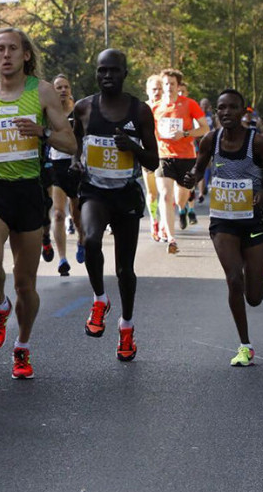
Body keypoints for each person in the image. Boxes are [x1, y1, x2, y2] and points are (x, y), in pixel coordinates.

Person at [0, 27, 76, 379]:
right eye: (0, 49)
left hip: (29, 191)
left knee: (25, 284)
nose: (6, 55)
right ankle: (0, 306)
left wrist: (42, 132)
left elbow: (71, 144)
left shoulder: (41, 92)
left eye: (13, 48)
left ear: (26, 55)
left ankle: (23, 346)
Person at [182, 89, 263, 367]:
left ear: (243, 112)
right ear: (216, 113)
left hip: (256, 219)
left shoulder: (257, 142)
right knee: (233, 279)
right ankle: (245, 346)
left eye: (232, 108)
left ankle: (262, 270)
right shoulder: (210, 141)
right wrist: (191, 178)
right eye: (221, 108)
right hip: (224, 220)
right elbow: (198, 170)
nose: (226, 112)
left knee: (254, 298)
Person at [71, 50, 160, 362]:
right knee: (91, 240)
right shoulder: (83, 107)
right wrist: (75, 163)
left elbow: (154, 160)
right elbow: (73, 146)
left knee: (125, 269)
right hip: (94, 190)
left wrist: (133, 147)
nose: (107, 76)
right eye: (101, 70)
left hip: (125, 193)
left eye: (113, 71)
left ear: (124, 73)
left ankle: (127, 327)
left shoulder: (140, 111)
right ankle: (99, 299)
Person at [152, 68, 209, 253]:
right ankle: (171, 238)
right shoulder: (155, 107)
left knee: (179, 198)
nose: (169, 87)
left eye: (172, 84)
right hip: (164, 156)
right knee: (166, 195)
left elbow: (204, 128)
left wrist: (184, 133)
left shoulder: (189, 104)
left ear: (178, 86)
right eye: (166, 84)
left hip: (186, 157)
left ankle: (182, 209)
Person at [45, 75, 82, 277]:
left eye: (66, 86)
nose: (63, 90)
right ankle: (62, 259)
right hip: (56, 165)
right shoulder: (48, 112)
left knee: (77, 216)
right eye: (58, 87)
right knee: (58, 213)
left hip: (76, 165)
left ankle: (81, 240)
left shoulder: (79, 111)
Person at [142, 75, 163, 243]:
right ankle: (154, 220)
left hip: (166, 155)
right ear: (147, 91)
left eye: (160, 89)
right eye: (154, 89)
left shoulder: (167, 108)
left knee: (166, 192)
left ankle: (163, 224)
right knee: (152, 193)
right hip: (148, 154)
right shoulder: (142, 108)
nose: (157, 92)